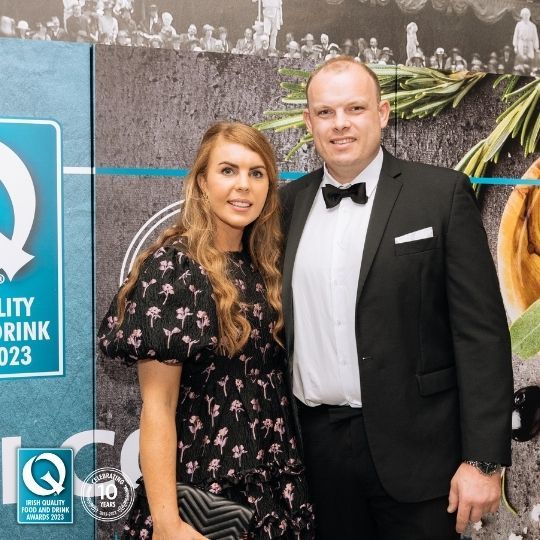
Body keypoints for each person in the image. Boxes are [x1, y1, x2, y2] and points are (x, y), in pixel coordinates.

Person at [279, 57, 513, 539]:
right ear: (308, 122)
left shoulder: (441, 194)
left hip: (422, 456)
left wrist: (484, 461)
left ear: (383, 113)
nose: (340, 124)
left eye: (355, 108)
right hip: (317, 457)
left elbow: (481, 335)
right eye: (325, 112)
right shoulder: (285, 205)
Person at [98, 122, 314, 539]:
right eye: (228, 170)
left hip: (276, 488)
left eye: (256, 173)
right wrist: (167, 524)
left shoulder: (267, 267)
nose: (243, 186)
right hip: (203, 495)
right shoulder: (174, 269)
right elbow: (158, 406)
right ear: (202, 181)